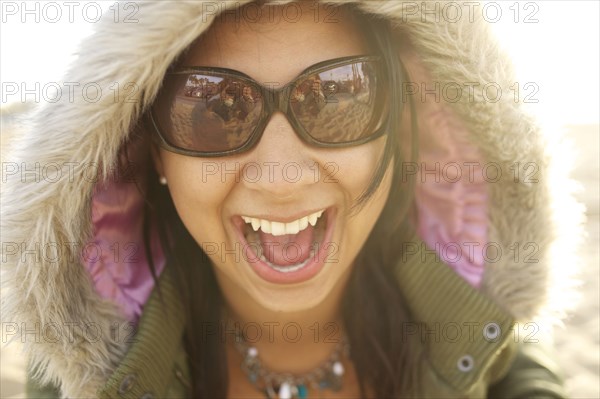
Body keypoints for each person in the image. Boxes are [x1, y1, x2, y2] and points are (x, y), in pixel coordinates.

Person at [1, 1, 582, 398]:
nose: (281, 178)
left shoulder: (487, 342)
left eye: (335, 98)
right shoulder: (80, 382)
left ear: (402, 129)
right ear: (151, 154)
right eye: (212, 109)